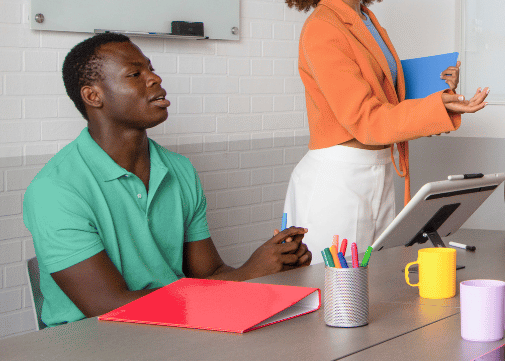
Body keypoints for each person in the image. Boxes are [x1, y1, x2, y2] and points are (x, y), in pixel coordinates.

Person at [22, 34, 312, 327]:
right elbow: (105, 306)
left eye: (150, 69)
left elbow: (209, 275)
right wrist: (246, 275)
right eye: (135, 74)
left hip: (176, 329)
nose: (154, 78)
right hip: (92, 348)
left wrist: (271, 267)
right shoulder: (55, 191)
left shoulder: (179, 169)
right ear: (93, 96)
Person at [273, 0, 487, 254]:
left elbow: (384, 91)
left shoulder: (365, 20)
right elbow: (367, 118)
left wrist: (439, 90)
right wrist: (439, 108)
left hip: (378, 170)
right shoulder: (324, 27)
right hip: (339, 178)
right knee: (334, 293)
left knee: (378, 286)